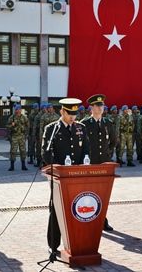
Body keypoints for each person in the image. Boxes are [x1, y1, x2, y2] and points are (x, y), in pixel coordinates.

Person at [41, 98, 90, 256]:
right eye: (69, 114)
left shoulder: (81, 128)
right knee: (56, 209)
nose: (72, 117)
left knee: (76, 208)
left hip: (77, 177)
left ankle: (75, 242)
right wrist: (58, 168)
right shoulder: (52, 128)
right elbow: (45, 153)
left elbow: (86, 150)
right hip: (59, 177)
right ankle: (53, 245)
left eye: (74, 114)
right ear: (62, 111)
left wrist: (85, 163)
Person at [82, 94, 117, 231]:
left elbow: (114, 141)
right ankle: (90, 218)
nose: (100, 108)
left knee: (103, 193)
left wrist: (108, 154)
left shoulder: (107, 123)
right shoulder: (85, 123)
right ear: (92, 107)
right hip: (90, 163)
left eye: (102, 105)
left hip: (104, 163)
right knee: (89, 192)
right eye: (97, 105)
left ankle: (103, 220)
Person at [7, 104, 29, 171]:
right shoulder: (12, 117)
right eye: (17, 109)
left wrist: (26, 134)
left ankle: (23, 165)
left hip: (22, 136)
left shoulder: (24, 117)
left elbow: (27, 126)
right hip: (14, 136)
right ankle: (12, 166)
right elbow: (7, 126)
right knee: (13, 151)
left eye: (19, 109)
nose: (18, 111)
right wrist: (12, 125)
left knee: (23, 151)